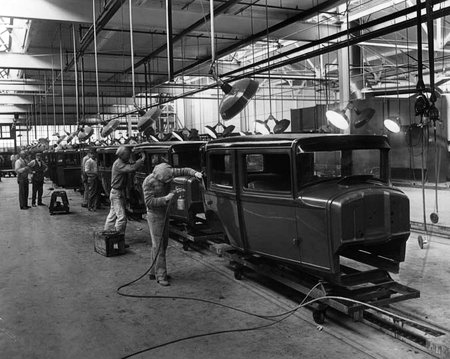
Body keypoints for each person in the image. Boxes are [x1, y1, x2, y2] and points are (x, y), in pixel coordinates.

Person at [142, 162, 202, 286]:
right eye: (165, 181)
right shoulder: (148, 182)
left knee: (161, 244)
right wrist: (166, 198)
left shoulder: (168, 171)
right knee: (159, 246)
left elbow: (185, 169)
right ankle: (161, 275)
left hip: (164, 213)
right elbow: (149, 202)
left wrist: (195, 173)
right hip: (154, 215)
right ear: (158, 177)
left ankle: (153, 272)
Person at [104, 146, 145, 242]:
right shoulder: (119, 164)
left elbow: (131, 163)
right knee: (121, 218)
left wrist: (135, 153)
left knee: (112, 215)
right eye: (128, 155)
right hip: (117, 193)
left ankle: (107, 236)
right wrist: (142, 159)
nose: (129, 156)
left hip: (117, 192)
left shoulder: (121, 162)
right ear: (124, 155)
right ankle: (118, 240)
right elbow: (132, 167)